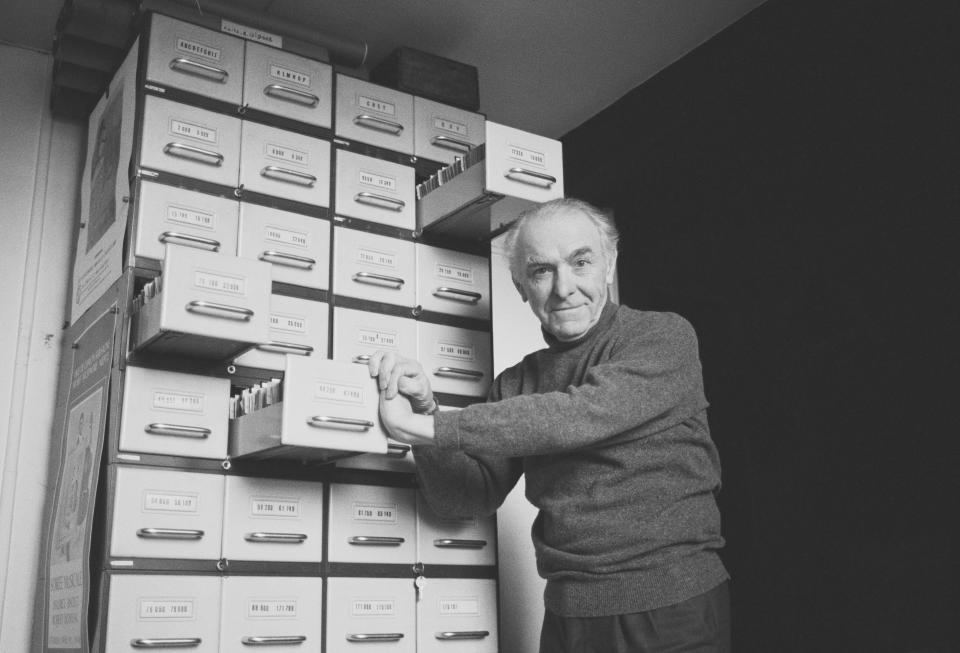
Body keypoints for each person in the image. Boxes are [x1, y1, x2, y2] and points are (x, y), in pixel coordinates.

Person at [369, 197, 730, 652]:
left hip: (672, 609)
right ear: (521, 286)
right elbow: (463, 498)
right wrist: (423, 411)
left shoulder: (662, 337)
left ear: (610, 262)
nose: (564, 288)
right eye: (541, 271)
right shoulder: (517, 383)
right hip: (568, 616)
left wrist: (432, 427)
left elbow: (579, 415)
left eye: (581, 262)